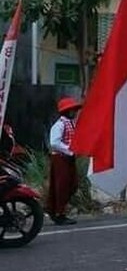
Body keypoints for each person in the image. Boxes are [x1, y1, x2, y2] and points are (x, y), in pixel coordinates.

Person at [47, 97, 81, 226]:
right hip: (60, 158)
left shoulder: (71, 123)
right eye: (71, 110)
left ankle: (56, 209)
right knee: (61, 187)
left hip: (68, 158)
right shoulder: (60, 124)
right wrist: (69, 150)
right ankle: (59, 213)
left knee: (71, 185)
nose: (74, 112)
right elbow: (54, 143)